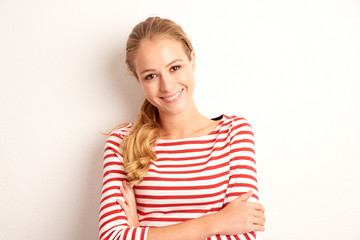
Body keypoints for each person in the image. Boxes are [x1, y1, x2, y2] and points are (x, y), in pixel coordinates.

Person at [98, 16, 265, 240]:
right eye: (151, 76)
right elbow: (112, 237)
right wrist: (216, 222)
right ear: (137, 79)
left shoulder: (234, 133)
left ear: (192, 60)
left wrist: (142, 233)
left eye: (175, 67)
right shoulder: (122, 143)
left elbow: (242, 233)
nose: (167, 86)